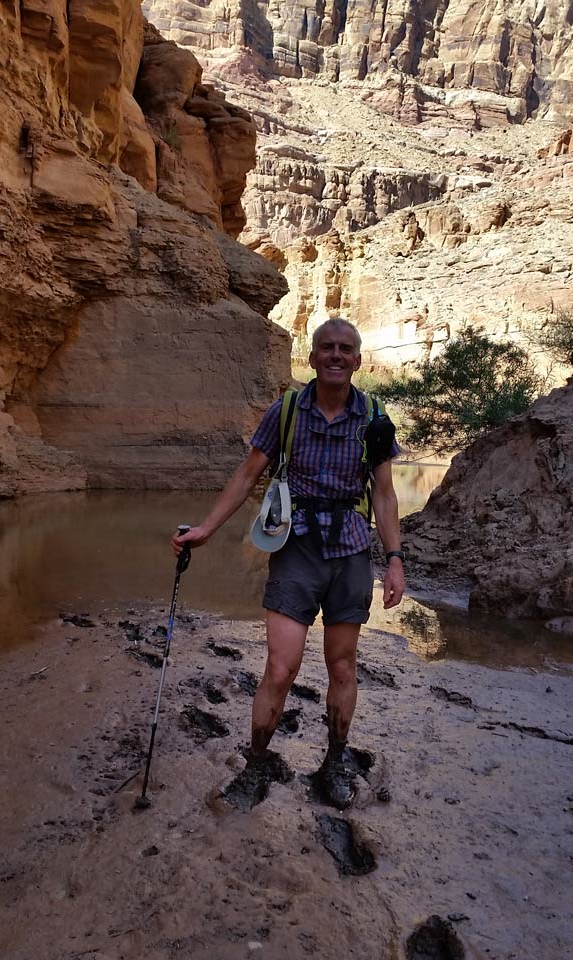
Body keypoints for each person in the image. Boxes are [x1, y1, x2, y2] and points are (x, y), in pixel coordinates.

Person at [172, 317, 405, 808]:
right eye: (327, 348)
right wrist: (206, 530)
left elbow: (384, 496)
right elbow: (246, 476)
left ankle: (335, 759)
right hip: (295, 551)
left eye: (345, 349)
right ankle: (257, 765)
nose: (336, 356)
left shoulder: (375, 418)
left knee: (342, 666)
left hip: (350, 555)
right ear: (314, 357)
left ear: (358, 360)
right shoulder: (287, 412)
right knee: (280, 667)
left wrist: (395, 559)